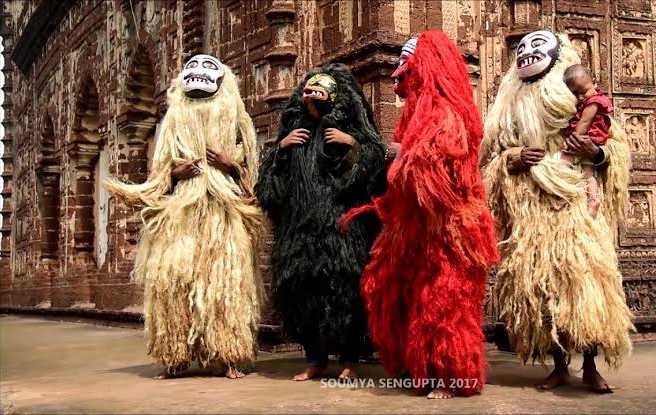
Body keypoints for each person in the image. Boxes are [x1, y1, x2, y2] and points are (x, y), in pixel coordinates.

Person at [341, 31, 499, 399]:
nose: (397, 75)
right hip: (415, 223)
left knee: (444, 300)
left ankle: (449, 375)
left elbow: (441, 170)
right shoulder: (416, 114)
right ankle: (421, 368)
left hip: (446, 227)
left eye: (405, 67)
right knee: (404, 293)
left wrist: (401, 155)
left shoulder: (447, 114)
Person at [480, 30, 634, 393]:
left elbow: (616, 149)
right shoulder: (508, 114)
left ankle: (591, 365)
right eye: (523, 48)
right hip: (533, 213)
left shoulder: (583, 102)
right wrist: (514, 157)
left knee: (585, 286)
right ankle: (559, 365)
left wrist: (596, 153)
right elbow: (490, 162)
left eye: (538, 46)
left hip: (577, 205)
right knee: (542, 289)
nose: (529, 52)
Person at [105, 54, 265, 379]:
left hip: (222, 214)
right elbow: (160, 174)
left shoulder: (236, 121)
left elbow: (250, 173)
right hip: (182, 214)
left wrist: (229, 165)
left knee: (225, 286)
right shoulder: (173, 122)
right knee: (173, 285)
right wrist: (176, 173)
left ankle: (228, 356)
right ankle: (174, 356)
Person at [255, 64, 386, 382]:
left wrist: (351, 144)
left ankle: (350, 359)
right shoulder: (295, 135)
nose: (312, 104)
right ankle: (315, 359)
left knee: (346, 291)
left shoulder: (352, 131)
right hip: (301, 231)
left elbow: (375, 168)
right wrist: (281, 150)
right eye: (308, 99)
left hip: (342, 230)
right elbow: (269, 189)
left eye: (319, 99)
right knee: (304, 292)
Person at [561, 64, 615, 217]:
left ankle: (588, 199)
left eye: (583, 92)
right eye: (575, 94)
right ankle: (592, 199)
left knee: (564, 163)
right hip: (586, 141)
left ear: (594, 82)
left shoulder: (593, 103)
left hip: (585, 140)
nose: (580, 97)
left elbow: (584, 123)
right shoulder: (584, 101)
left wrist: (573, 142)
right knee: (587, 173)